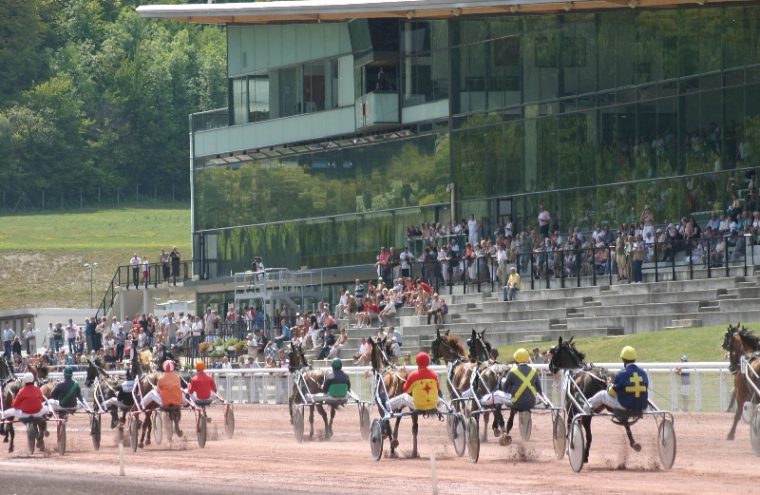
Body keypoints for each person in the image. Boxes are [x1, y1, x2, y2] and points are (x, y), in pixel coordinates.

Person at [585, 346, 649, 414]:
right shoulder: (643, 373)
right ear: (635, 358)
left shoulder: (622, 373)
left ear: (623, 359)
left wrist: (609, 385)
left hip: (626, 406)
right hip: (642, 407)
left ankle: (585, 411)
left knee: (602, 394)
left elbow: (612, 393)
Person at [499, 348, 544, 443]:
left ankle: (504, 430)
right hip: (531, 403)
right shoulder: (534, 371)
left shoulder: (512, 372)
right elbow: (539, 390)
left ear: (516, 360)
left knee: (504, 402)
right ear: (527, 359)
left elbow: (504, 389)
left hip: (516, 404)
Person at [141, 360, 186, 428]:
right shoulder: (177, 377)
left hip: (165, 403)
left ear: (164, 367)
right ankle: (186, 404)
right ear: (173, 368)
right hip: (177, 402)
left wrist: (156, 388)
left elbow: (157, 391)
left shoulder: (161, 378)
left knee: (152, 393)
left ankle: (142, 404)